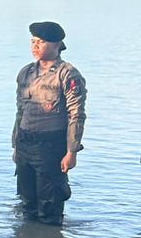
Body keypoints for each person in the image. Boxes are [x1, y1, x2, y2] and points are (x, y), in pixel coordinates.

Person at [13, 22, 87, 225]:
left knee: (50, 204)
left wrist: (71, 151)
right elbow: (20, 111)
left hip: (51, 145)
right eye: (33, 42)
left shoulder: (67, 74)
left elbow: (76, 114)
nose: (35, 46)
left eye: (41, 42)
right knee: (27, 203)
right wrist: (16, 145)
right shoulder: (26, 73)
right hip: (25, 143)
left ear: (57, 44)